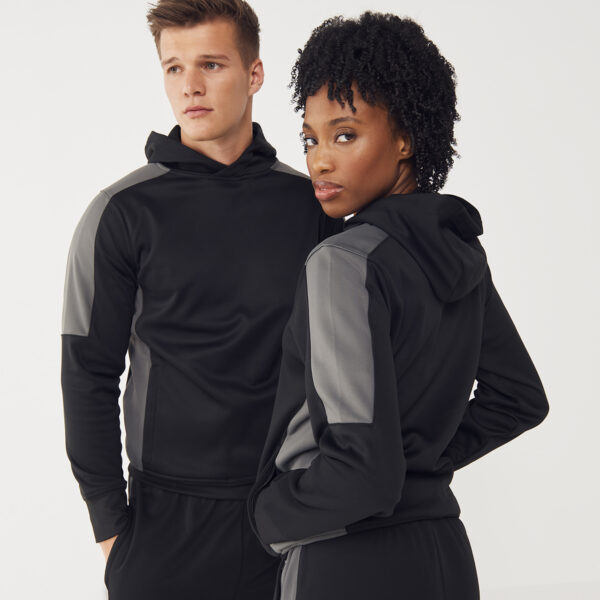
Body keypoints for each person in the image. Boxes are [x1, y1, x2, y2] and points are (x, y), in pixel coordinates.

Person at [247, 12, 549, 600]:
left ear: (405, 138)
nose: (320, 159)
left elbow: (362, 470)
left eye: (345, 135)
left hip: (343, 556)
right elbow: (519, 399)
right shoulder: (458, 250)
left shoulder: (342, 262)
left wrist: (269, 518)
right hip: (442, 553)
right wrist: (421, 467)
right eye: (310, 138)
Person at [60, 1, 342, 598]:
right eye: (174, 68)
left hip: (287, 514)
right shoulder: (121, 212)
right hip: (164, 525)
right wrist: (110, 527)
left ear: (254, 74)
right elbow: (87, 372)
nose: (189, 86)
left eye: (211, 64)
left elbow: (346, 365)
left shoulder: (312, 208)